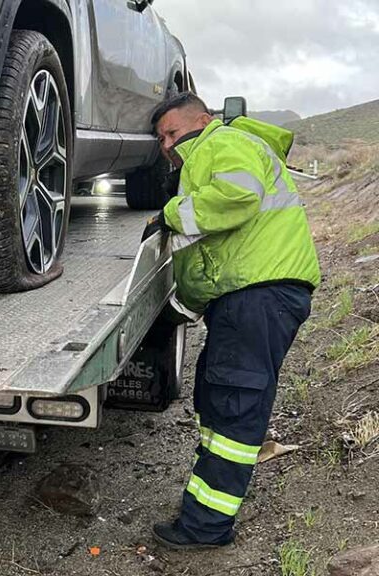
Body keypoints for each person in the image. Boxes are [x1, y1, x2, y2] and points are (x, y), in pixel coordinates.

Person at [142, 93, 321, 549]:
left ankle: (205, 529)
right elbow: (216, 250)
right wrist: (183, 303)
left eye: (172, 132)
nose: (166, 144)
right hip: (251, 298)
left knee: (234, 408)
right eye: (161, 137)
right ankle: (205, 505)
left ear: (203, 120)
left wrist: (168, 215)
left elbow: (236, 196)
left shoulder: (225, 142)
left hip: (259, 296)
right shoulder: (211, 151)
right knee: (216, 397)